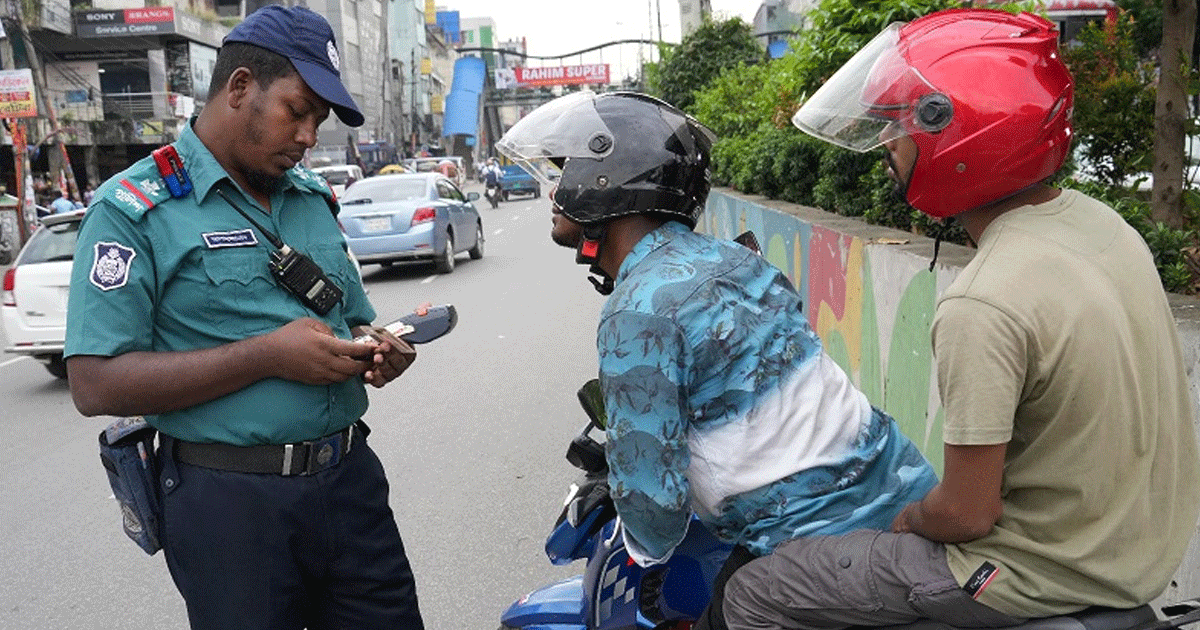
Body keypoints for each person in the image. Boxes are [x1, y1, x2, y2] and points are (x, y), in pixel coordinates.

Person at [716, 9, 1200, 630]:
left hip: (1029, 574)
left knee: (756, 591)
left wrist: (912, 518)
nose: (888, 149)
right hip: (1130, 554)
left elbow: (967, 515)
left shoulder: (982, 302)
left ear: (956, 135)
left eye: (899, 130)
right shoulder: (1103, 226)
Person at [496, 91, 939, 630]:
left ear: (607, 181)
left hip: (818, 544)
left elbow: (655, 511)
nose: (553, 190)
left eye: (565, 172)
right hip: (897, 493)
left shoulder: (639, 310)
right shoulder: (735, 258)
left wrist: (640, 539)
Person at [63, 6, 426, 630]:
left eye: (319, 119)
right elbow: (94, 383)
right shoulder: (135, 210)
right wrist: (268, 355)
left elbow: (350, 319)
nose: (310, 136)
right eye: (299, 110)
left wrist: (376, 347)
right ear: (239, 89)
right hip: (230, 508)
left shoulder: (311, 199)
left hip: (349, 487)